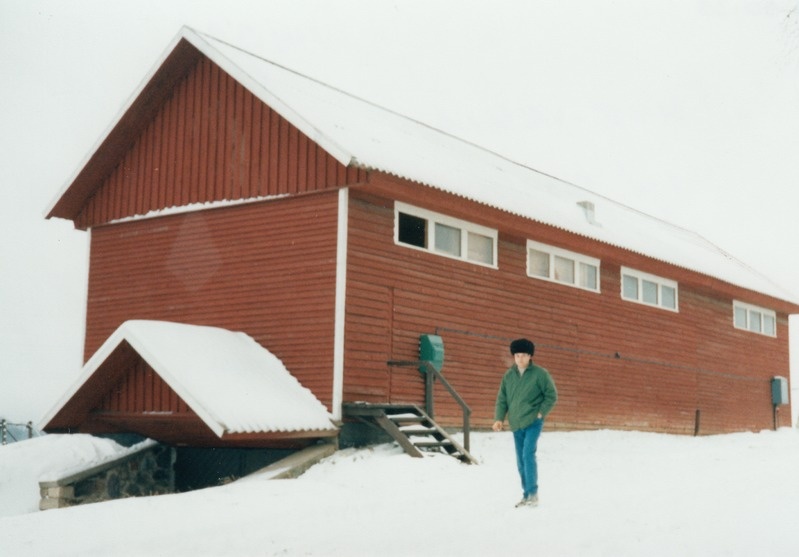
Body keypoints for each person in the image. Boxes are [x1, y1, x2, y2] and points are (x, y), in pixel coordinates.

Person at [493, 338, 558, 508]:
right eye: (517, 355)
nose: (519, 359)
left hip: (533, 421)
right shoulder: (509, 375)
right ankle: (526, 494)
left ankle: (533, 494)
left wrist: (540, 412)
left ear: (530, 356)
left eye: (523, 355)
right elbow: (502, 399)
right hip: (516, 423)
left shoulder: (540, 374)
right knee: (520, 460)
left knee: (528, 455)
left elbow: (551, 395)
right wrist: (499, 418)